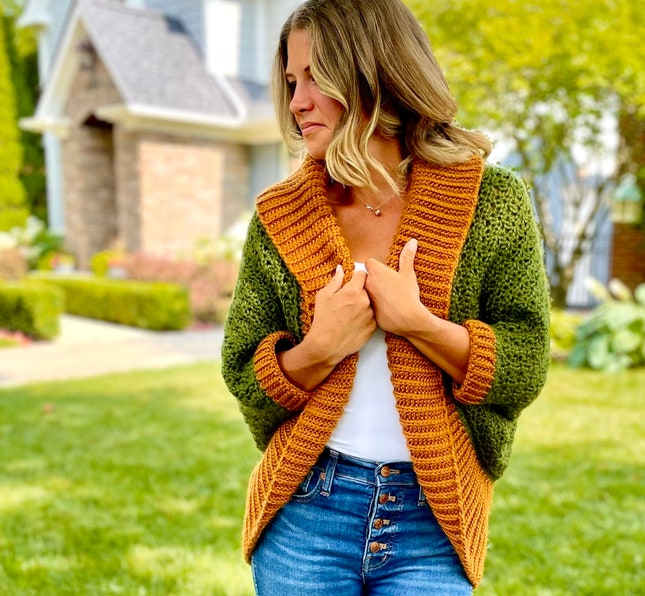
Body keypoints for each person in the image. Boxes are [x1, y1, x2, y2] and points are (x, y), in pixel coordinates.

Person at [221, 0, 550, 593]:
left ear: (376, 71)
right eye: (293, 81)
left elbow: (525, 366)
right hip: (307, 513)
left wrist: (417, 323)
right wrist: (318, 348)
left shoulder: (492, 202)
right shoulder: (280, 214)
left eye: (317, 76)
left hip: (433, 519)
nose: (297, 102)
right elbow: (242, 374)